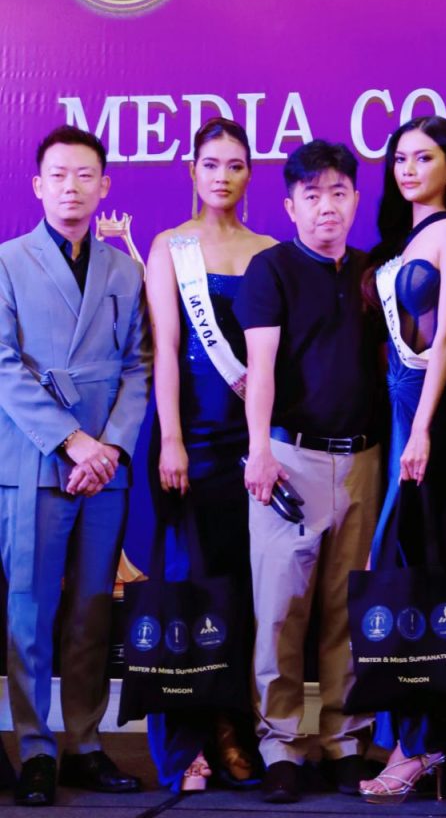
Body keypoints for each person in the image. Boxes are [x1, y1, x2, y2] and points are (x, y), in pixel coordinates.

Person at [0, 125, 150, 806]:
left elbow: (139, 366)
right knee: (30, 611)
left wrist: (109, 446)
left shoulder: (124, 269)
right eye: (58, 175)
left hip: (105, 469)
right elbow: (4, 365)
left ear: (104, 186)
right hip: (35, 459)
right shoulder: (8, 262)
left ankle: (86, 744)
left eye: (85, 175)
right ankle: (35, 749)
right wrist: (71, 441)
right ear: (38, 185)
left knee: (92, 609)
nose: (71, 187)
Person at [234, 140, 383, 804]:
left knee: (348, 610)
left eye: (339, 193)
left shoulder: (374, 272)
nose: (327, 206)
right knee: (280, 611)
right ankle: (280, 745)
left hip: (363, 460)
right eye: (313, 195)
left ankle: (345, 741)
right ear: (291, 205)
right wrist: (260, 449)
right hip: (289, 460)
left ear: (356, 200)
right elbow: (260, 368)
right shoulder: (271, 269)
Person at [358, 115, 446, 803]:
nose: (409, 169)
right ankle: (418, 737)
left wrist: (421, 431)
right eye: (400, 159)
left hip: (433, 422)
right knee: (403, 576)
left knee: (437, 581)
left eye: (424, 157)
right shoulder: (400, 242)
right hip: (398, 414)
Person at [143, 118, 275, 793]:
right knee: (188, 584)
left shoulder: (270, 251)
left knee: (242, 591)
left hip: (252, 443)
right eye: (211, 164)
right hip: (190, 437)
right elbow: (166, 349)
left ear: (251, 174)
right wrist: (171, 437)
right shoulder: (171, 246)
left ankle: (231, 731)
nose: (223, 176)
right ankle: (184, 742)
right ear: (191, 171)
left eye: (236, 165)